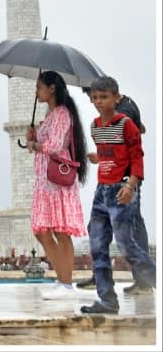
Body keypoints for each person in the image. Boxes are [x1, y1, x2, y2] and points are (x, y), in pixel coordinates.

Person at [81, 77, 156, 314]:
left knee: (127, 246)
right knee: (98, 246)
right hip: (102, 191)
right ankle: (107, 300)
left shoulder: (126, 124)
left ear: (116, 98)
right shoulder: (95, 126)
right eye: (95, 98)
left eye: (104, 97)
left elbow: (136, 158)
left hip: (121, 190)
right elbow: (113, 155)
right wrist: (98, 158)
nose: (99, 102)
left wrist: (130, 185)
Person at [23, 71, 88, 301]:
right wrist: (32, 136)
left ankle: (66, 283)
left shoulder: (61, 113)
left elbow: (54, 145)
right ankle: (61, 278)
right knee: (41, 232)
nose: (36, 92)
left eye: (39, 87)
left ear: (52, 89)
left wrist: (34, 143)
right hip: (45, 182)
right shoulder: (51, 114)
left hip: (57, 183)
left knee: (60, 232)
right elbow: (45, 142)